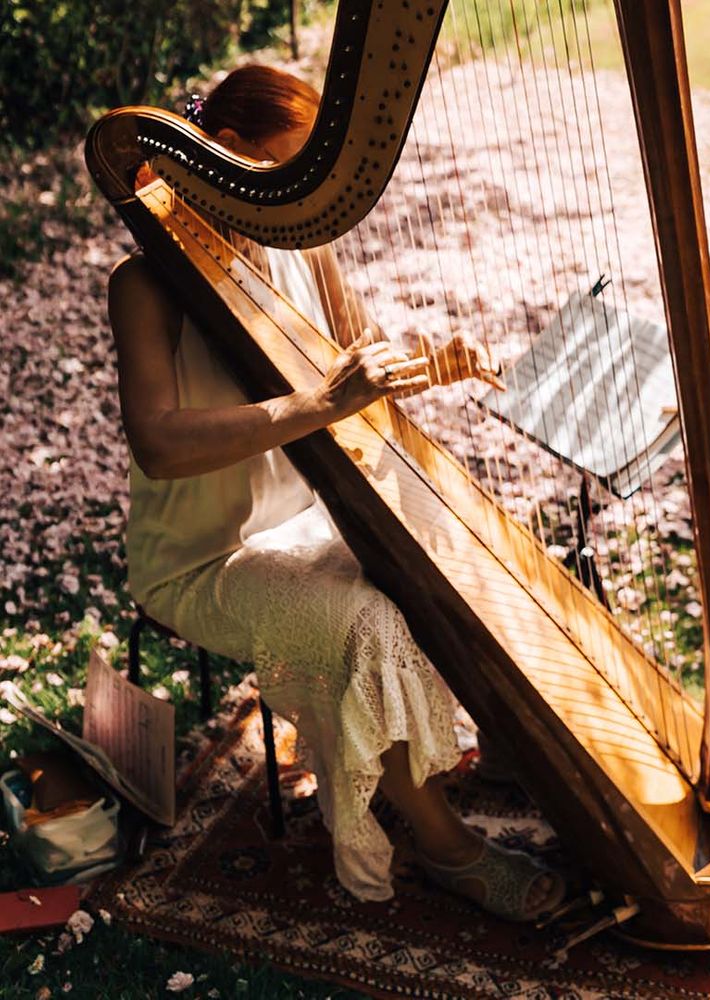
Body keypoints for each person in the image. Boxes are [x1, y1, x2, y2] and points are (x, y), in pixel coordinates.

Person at [108, 64, 563, 921]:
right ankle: (446, 847)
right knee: (368, 622)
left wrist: (433, 364)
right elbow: (159, 446)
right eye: (287, 173)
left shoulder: (298, 245)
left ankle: (498, 745)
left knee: (452, 553)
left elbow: (361, 365)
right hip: (204, 557)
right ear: (229, 151)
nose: (298, 202)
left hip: (306, 518)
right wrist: (318, 405)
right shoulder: (145, 285)